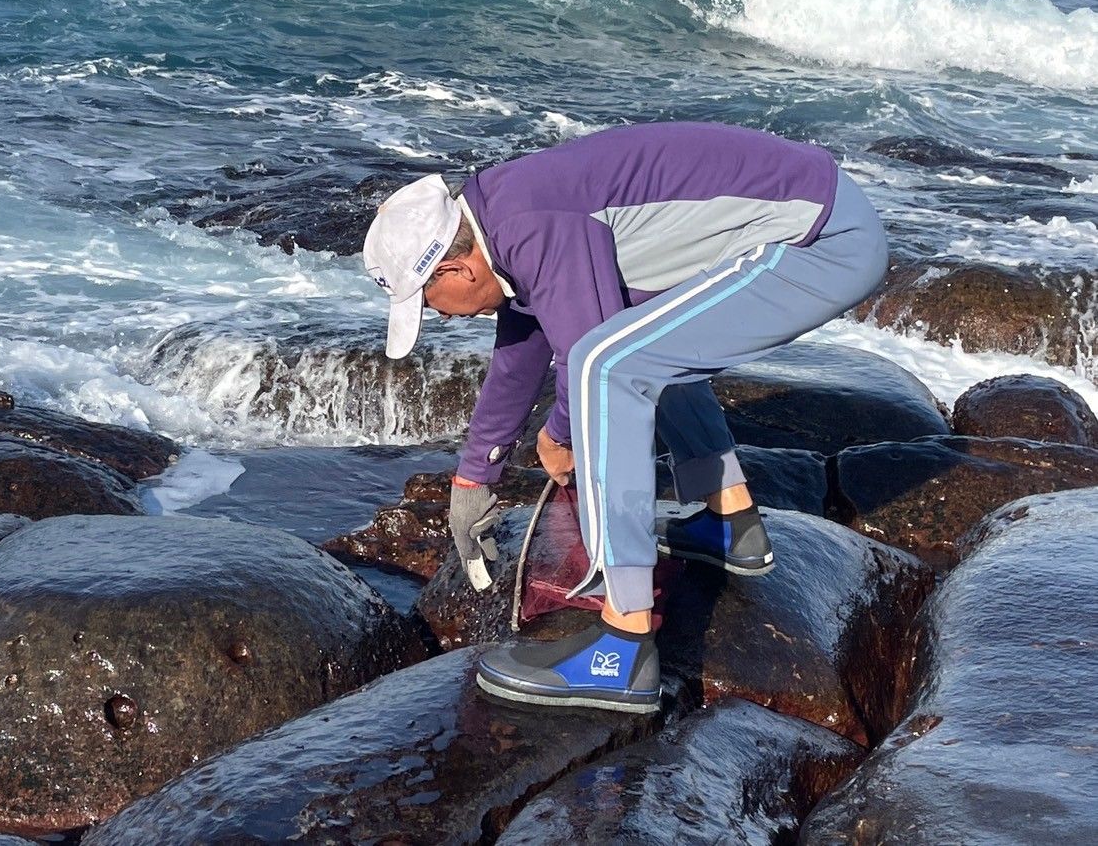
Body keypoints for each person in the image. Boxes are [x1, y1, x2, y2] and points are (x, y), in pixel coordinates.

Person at [362, 121, 887, 712]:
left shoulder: (531, 224)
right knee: (641, 345)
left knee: (606, 367)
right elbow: (523, 347)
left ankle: (624, 641)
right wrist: (474, 474)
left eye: (427, 302)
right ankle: (729, 521)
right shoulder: (504, 220)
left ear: (457, 270)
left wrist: (559, 434)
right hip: (817, 222)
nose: (439, 315)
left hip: (820, 241)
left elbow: (587, 358)